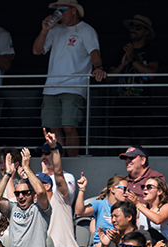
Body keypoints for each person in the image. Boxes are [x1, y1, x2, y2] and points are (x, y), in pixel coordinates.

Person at [32, 0, 104, 155]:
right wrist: (44, 30)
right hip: (51, 87)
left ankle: (72, 163)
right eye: (56, 10)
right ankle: (58, 163)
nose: (58, 13)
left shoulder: (86, 30)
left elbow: (94, 52)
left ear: (74, 11)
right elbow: (37, 51)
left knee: (69, 126)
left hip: (74, 85)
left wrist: (98, 67)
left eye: (62, 10)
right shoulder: (55, 30)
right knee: (53, 128)